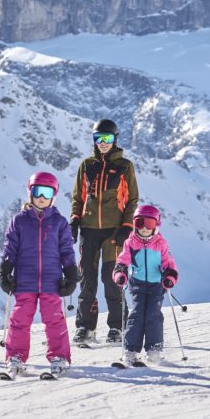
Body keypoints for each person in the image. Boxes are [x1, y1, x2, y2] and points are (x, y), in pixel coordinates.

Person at [0, 172, 78, 378]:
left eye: (47, 192)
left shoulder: (59, 222)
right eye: (37, 191)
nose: (41, 197)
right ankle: (15, 356)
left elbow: (67, 250)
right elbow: (10, 248)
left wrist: (70, 273)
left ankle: (59, 356)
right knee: (20, 319)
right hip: (25, 280)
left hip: (51, 280)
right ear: (30, 192)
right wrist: (5, 270)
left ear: (54, 196)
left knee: (54, 319)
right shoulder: (19, 221)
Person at [70, 118, 139, 344]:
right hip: (88, 230)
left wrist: (127, 227)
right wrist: (74, 220)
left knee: (111, 279)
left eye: (107, 138)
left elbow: (132, 200)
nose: (103, 143)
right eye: (98, 138)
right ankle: (85, 327)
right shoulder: (86, 165)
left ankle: (117, 326)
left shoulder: (124, 166)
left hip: (114, 231)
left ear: (115, 139)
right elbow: (78, 197)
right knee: (87, 279)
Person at [112, 203, 178, 364]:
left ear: (156, 225)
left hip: (156, 285)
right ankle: (131, 351)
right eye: (140, 223)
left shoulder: (161, 243)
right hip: (138, 284)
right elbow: (123, 260)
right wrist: (120, 273)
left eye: (149, 224)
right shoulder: (131, 243)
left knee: (153, 314)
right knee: (137, 314)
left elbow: (169, 263)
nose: (144, 228)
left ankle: (153, 349)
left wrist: (170, 277)